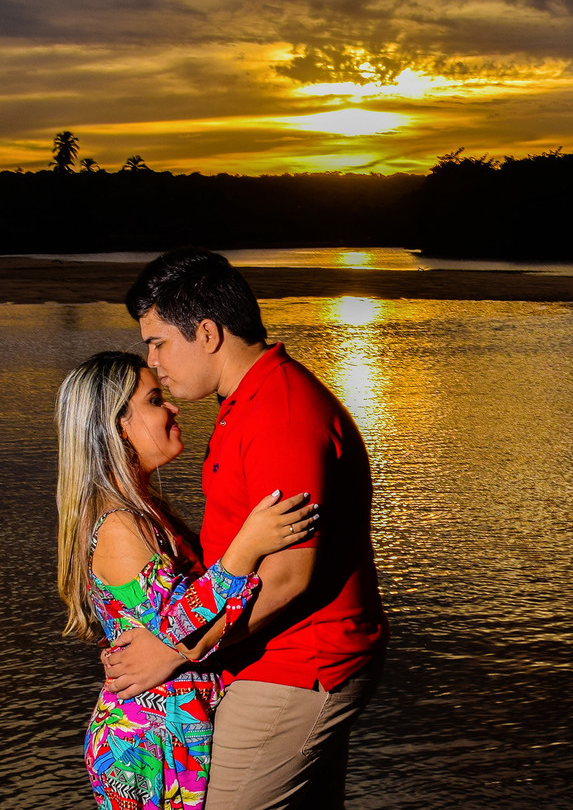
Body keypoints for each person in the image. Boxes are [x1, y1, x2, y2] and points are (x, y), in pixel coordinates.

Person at [102, 247, 389, 810]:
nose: (154, 361)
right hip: (272, 659)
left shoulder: (279, 413)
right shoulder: (247, 402)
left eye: (159, 342)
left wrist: (176, 650)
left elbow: (288, 577)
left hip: (300, 662)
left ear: (207, 333)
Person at [56, 350, 318, 810]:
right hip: (146, 746)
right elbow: (176, 628)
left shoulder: (145, 512)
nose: (173, 407)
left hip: (174, 729)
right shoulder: (118, 525)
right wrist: (247, 547)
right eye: (155, 400)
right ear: (119, 426)